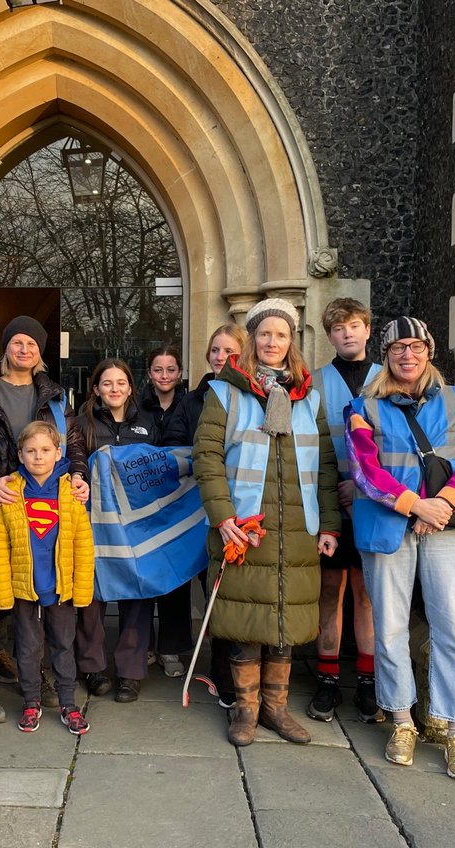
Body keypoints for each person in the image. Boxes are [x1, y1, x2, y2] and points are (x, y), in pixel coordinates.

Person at [346, 316, 455, 781]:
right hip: (389, 526)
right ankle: (402, 721)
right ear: (385, 355)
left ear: (429, 352)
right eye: (397, 349)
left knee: (452, 627)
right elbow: (363, 468)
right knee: (390, 627)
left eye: (415, 347)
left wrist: (444, 504)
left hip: (445, 527)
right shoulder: (362, 406)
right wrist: (415, 506)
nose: (407, 355)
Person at [194, 298, 341, 747]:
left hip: (298, 526)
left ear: (290, 341)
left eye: (280, 335)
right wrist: (222, 519)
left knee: (285, 624)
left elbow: (327, 465)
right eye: (264, 334)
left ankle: (276, 708)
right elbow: (208, 458)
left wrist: (330, 526)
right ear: (251, 341)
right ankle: (246, 709)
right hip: (244, 525)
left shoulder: (309, 397)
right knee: (246, 622)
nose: (272, 342)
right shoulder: (224, 391)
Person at [0, 315, 89, 724]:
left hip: (46, 500)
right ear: (6, 345)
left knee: (37, 603)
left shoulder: (53, 394)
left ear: (39, 352)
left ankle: (38, 682)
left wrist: (80, 477)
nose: (24, 349)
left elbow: (74, 443)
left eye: (32, 344)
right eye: (17, 342)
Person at [0, 421, 94, 735]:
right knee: (28, 648)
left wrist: (83, 590)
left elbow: (83, 545)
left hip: (60, 590)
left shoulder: (71, 492)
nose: (38, 457)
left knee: (63, 645)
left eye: (46, 450)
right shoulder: (10, 493)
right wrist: (3, 593)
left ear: (58, 453)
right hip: (26, 590)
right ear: (20, 454)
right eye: (31, 451)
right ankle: (31, 701)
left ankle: (68, 704)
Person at [308, 298, 383, 724]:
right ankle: (328, 680)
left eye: (354, 326)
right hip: (330, 501)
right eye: (338, 329)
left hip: (376, 502)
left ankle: (369, 683)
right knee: (329, 592)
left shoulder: (388, 378)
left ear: (367, 330)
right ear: (329, 335)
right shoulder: (315, 382)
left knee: (367, 596)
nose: (347, 334)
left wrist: (364, 486)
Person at [77, 358, 164, 702]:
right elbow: (73, 462)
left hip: (135, 523)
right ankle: (92, 667)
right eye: (107, 383)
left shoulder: (147, 422)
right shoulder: (80, 423)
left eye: (121, 383)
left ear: (131, 386)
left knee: (137, 593)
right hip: (92, 521)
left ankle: (130, 671)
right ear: (96, 388)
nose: (115, 389)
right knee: (91, 594)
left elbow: (160, 466)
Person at [183, 322, 246, 709]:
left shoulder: (252, 396)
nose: (220, 357)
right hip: (201, 508)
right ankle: (222, 676)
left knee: (235, 596)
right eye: (215, 350)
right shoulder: (194, 399)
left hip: (241, 506)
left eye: (229, 351)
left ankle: (238, 678)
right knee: (214, 595)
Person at [138, 344, 193, 678]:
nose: (164, 376)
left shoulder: (190, 403)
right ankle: (143, 645)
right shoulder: (136, 406)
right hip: (144, 502)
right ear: (149, 373)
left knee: (175, 576)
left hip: (179, 499)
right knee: (144, 573)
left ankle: (170, 649)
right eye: (158, 370)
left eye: (171, 369)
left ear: (180, 373)